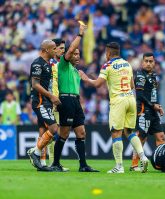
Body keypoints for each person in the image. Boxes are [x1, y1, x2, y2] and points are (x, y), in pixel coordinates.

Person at [79, 42, 149, 173]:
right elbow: (132, 86)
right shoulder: (127, 64)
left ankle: (119, 166)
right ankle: (143, 157)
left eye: (106, 53)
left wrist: (85, 79)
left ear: (109, 53)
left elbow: (98, 85)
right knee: (129, 132)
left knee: (116, 133)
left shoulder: (107, 65)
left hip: (118, 101)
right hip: (130, 99)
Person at [50, 23, 98, 172]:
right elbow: (70, 50)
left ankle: (83, 165)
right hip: (66, 100)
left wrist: (87, 80)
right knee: (64, 133)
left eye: (78, 54)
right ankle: (55, 163)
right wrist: (80, 34)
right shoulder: (62, 64)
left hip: (75, 101)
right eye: (74, 54)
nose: (77, 56)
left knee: (81, 132)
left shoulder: (76, 71)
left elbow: (92, 85)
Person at [27, 39, 60, 171]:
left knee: (43, 130)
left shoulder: (47, 64)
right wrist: (51, 96)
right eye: (53, 49)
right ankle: (35, 152)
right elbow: (35, 84)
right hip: (40, 101)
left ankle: (41, 162)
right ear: (46, 50)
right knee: (53, 128)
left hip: (46, 100)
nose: (55, 51)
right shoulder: (37, 64)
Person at [130, 52, 165, 172]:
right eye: (146, 61)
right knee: (141, 137)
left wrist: (158, 106)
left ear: (154, 63)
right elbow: (139, 95)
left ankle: (161, 163)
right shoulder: (140, 76)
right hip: (143, 111)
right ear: (142, 62)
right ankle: (134, 164)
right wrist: (153, 105)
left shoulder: (154, 76)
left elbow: (153, 95)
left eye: (151, 61)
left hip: (153, 111)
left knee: (161, 136)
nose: (149, 64)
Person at [40, 38, 67, 169]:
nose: (63, 51)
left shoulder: (57, 64)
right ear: (54, 49)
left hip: (56, 101)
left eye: (63, 48)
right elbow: (48, 84)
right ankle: (51, 162)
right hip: (50, 102)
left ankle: (48, 161)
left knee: (49, 132)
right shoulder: (49, 64)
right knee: (50, 131)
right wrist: (51, 99)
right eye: (60, 48)